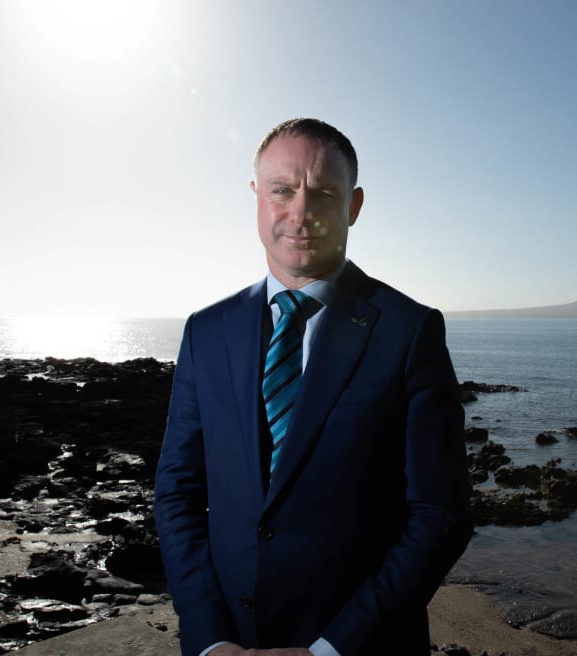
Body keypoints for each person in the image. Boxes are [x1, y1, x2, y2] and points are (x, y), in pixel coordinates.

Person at [153, 118, 473, 656]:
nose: (300, 213)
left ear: (353, 205)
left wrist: (331, 649)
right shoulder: (205, 331)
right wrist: (209, 639)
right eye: (282, 190)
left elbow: (440, 513)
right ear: (257, 196)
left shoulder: (409, 331)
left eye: (323, 193)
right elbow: (177, 493)